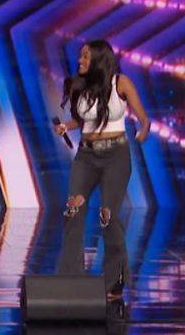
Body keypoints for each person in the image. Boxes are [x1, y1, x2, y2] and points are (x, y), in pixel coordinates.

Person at [54, 39, 150, 300]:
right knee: (72, 211)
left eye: (85, 57)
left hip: (115, 156)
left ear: (99, 59)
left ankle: (115, 280)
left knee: (108, 215)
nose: (80, 61)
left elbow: (143, 117)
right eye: (80, 57)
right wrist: (67, 127)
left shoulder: (121, 83)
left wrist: (143, 129)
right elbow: (83, 118)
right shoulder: (80, 86)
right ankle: (70, 277)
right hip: (86, 156)